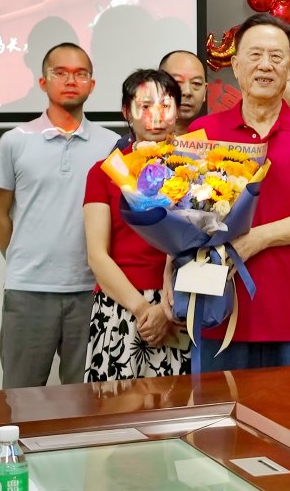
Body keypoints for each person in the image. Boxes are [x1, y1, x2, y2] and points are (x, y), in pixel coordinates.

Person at [189, 12, 290, 371]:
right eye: (255, 54)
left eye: (276, 57)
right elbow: (184, 213)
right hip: (219, 309)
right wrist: (171, 273)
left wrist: (256, 239)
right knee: (219, 408)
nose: (265, 65)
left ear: (289, 68)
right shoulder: (204, 130)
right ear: (235, 64)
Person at [0, 42, 120, 388]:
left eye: (80, 74)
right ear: (43, 82)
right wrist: (21, 260)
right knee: (20, 397)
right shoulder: (14, 141)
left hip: (93, 291)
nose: (70, 81)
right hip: (28, 291)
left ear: (92, 84)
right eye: (60, 73)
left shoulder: (112, 145)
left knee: (87, 399)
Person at [82, 69, 190, 381]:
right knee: (115, 406)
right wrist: (144, 310)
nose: (156, 116)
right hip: (123, 307)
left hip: (180, 308)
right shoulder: (104, 172)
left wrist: (169, 308)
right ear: (127, 112)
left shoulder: (196, 168)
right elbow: (97, 256)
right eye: (145, 106)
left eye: (165, 106)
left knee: (180, 406)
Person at [160, 50, 207, 135]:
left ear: (205, 92)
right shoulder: (139, 141)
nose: (187, 92)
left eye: (196, 83)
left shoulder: (217, 139)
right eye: (177, 82)